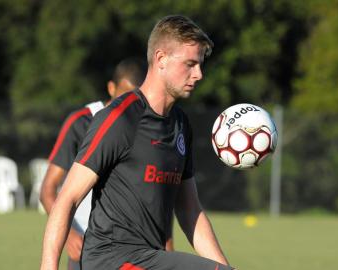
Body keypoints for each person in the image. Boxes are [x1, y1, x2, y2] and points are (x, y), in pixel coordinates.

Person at [40, 15, 235, 270]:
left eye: (200, 65)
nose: (199, 74)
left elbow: (189, 211)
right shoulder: (120, 119)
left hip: (148, 258)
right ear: (161, 59)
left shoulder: (180, 125)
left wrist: (224, 266)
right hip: (111, 260)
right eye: (190, 64)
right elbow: (67, 198)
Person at [40, 58, 175, 270]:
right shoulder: (82, 121)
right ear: (111, 88)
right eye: (124, 93)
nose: (130, 100)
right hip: (87, 246)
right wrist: (69, 236)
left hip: (137, 250)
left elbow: (159, 195)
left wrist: (168, 247)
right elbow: (48, 188)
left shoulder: (148, 127)